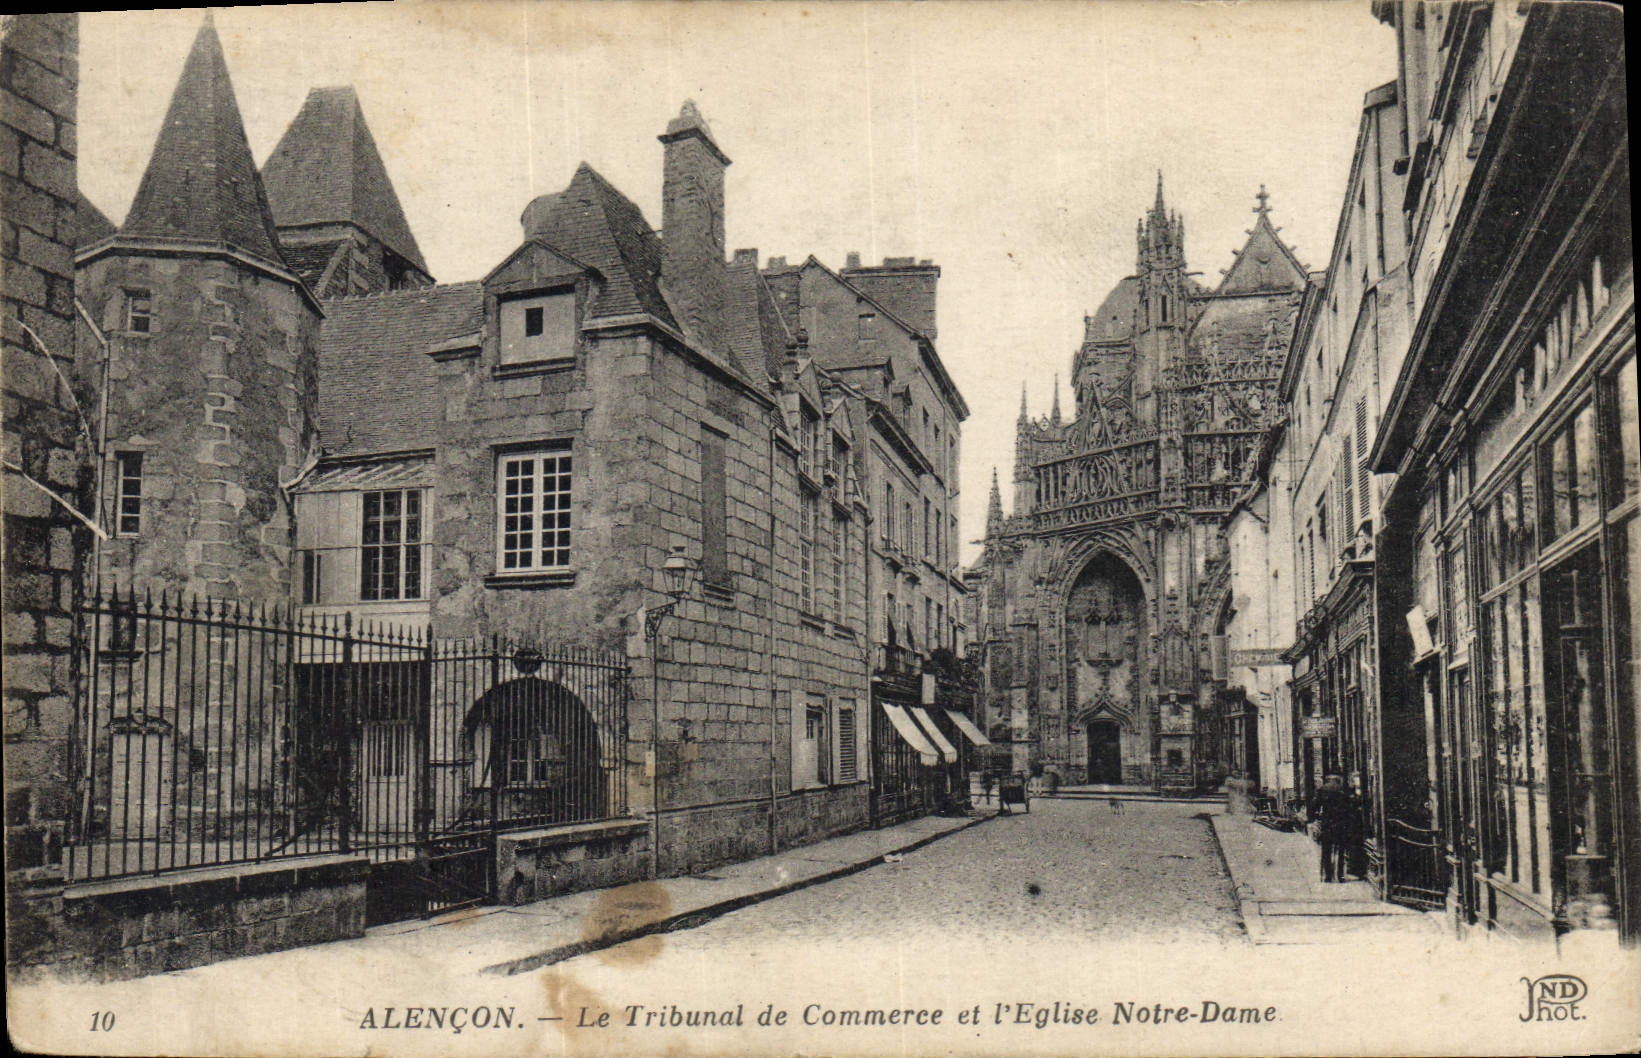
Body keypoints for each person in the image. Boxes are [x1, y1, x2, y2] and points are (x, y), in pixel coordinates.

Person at [1309, 774, 1354, 883]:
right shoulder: (1343, 789)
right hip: (1341, 823)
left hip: (1327, 824)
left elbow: (1314, 805)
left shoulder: (1322, 789)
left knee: (1326, 850)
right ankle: (1340, 875)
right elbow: (1350, 807)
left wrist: (1316, 816)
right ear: (1338, 780)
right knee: (1341, 850)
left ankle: (1328, 876)